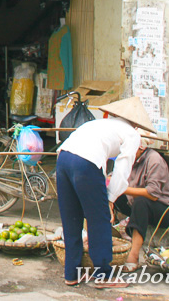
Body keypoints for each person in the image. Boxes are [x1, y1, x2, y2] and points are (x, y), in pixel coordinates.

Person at [55, 96, 155, 288]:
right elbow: (122, 171)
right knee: (99, 218)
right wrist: (110, 199)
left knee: (71, 217)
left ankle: (71, 274)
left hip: (63, 159)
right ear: (136, 124)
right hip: (85, 164)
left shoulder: (100, 124)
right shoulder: (132, 135)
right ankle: (103, 275)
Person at [113, 136, 169, 272]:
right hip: (136, 205)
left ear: (141, 148)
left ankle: (134, 255)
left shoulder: (154, 159)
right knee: (110, 193)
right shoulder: (129, 159)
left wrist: (122, 189)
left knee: (141, 201)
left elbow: (152, 194)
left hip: (165, 212)